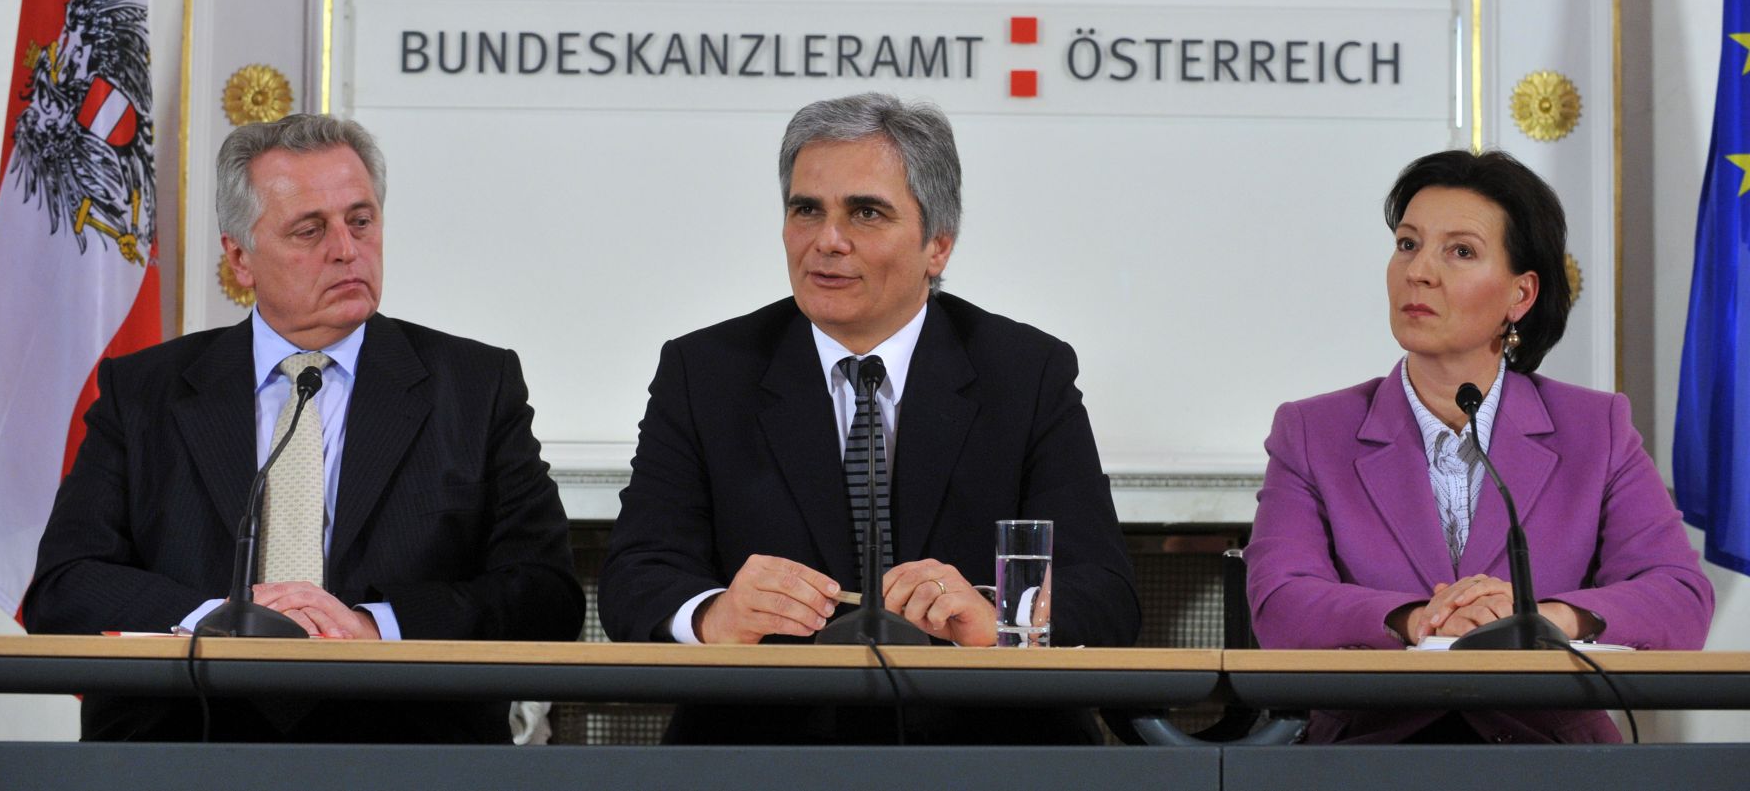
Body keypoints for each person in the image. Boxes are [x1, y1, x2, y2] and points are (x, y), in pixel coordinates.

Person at [23, 114, 583, 742]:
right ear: (240, 258)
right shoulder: (144, 391)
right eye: (309, 229)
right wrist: (222, 621)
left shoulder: (476, 387)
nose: (346, 248)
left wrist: (376, 627)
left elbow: (545, 597)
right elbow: (65, 588)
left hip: (406, 755)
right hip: (181, 750)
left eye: (361, 220)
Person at [599, 92, 1139, 742]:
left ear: (937, 244)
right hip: (764, 749)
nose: (827, 240)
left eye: (865, 212)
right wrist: (715, 614)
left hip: (982, 747)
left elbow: (1104, 590)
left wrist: (997, 616)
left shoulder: (1025, 371)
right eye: (806, 210)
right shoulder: (707, 370)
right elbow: (637, 575)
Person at [1246, 149, 1714, 744]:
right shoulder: (1313, 431)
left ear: (1520, 295)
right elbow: (1281, 602)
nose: (1418, 272)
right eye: (1408, 244)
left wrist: (1540, 619)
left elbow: (1678, 595)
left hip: (1551, 760)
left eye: (1460, 251)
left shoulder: (1595, 428)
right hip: (1367, 760)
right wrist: (1419, 619)